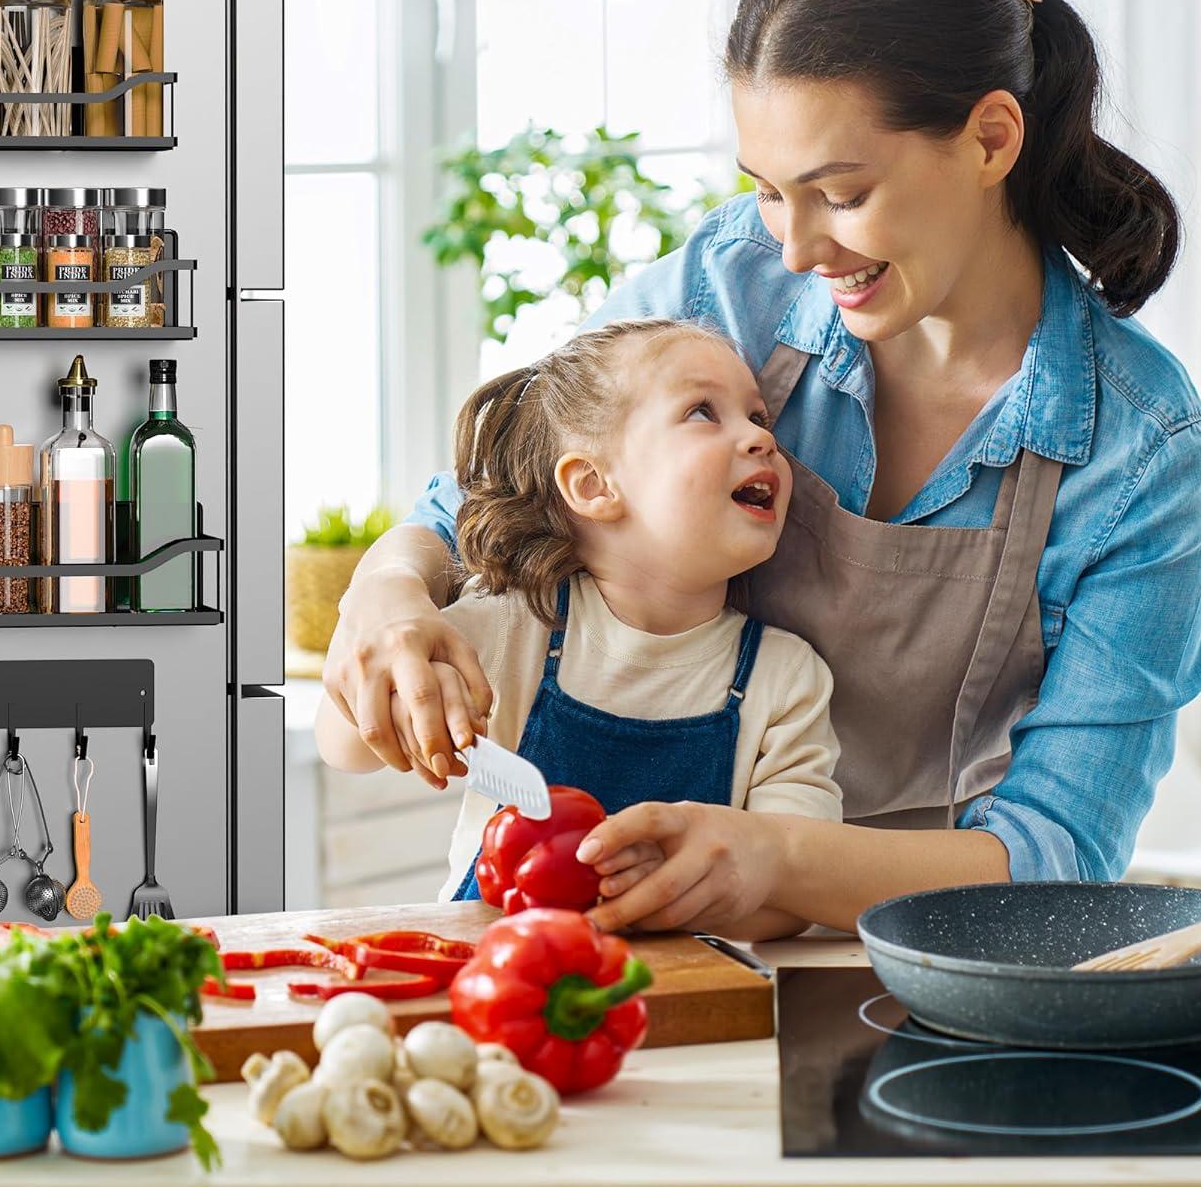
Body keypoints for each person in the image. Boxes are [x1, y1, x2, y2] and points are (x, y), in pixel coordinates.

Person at [324, 0, 1201, 937]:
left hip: (919, 956)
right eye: (767, 194)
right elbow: (487, 496)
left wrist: (776, 856)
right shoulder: (731, 283)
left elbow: (1058, 855)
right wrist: (388, 593)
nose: (797, 250)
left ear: (990, 140)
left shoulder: (1145, 455)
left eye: (840, 194)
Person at [315, 319, 842, 939]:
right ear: (593, 486)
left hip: (686, 988)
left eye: (758, 417)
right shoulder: (514, 625)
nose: (761, 439)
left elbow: (795, 893)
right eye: (703, 412)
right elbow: (344, 749)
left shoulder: (786, 679)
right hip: (495, 972)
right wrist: (399, 698)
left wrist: (678, 886)